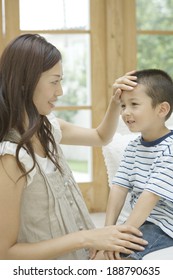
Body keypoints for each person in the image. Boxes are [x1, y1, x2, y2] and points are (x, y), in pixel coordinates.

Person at [0, 34, 147, 260]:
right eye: (54, 81)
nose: (60, 92)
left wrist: (116, 101)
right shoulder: (12, 158)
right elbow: (5, 253)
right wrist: (89, 237)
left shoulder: (48, 127)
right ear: (24, 83)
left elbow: (100, 136)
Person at [103, 69, 173, 260]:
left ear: (162, 109)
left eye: (134, 104)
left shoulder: (170, 149)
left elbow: (149, 197)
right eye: (123, 106)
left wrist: (119, 239)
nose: (126, 112)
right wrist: (107, 231)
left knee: (119, 255)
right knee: (102, 248)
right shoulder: (133, 147)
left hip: (166, 226)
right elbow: (118, 187)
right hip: (144, 220)